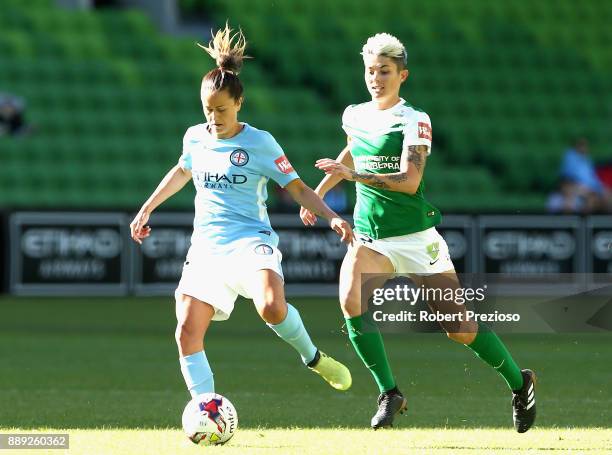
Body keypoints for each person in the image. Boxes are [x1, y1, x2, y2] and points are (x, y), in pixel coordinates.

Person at [300, 33, 536, 432]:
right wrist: (322, 190)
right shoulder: (354, 114)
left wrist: (353, 176)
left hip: (415, 238)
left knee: (459, 328)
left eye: (385, 71)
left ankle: (519, 383)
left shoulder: (415, 120)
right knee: (350, 300)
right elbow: (352, 148)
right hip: (371, 238)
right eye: (370, 70)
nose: (376, 78)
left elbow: (410, 181)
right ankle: (389, 393)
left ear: (402, 75)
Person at [130, 25, 353, 400]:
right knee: (186, 330)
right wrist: (147, 208)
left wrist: (331, 216)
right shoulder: (195, 136)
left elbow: (296, 187)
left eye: (221, 109)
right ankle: (207, 409)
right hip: (206, 249)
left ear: (238, 104)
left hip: (250, 241)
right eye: (207, 109)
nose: (213, 117)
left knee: (270, 306)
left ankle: (313, 357)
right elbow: (182, 170)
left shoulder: (260, 142)